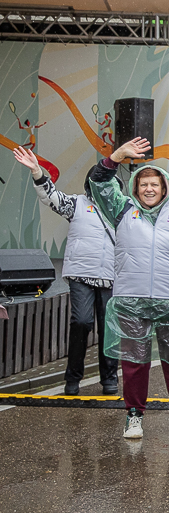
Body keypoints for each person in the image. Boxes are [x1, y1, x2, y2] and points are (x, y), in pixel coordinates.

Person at [88, 138, 169, 439]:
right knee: (134, 363)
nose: (149, 189)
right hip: (131, 300)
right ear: (135, 188)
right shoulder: (121, 211)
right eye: (144, 184)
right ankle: (134, 415)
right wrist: (115, 158)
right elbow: (100, 185)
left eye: (155, 185)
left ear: (165, 189)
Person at [13, 146, 120, 396]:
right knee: (82, 322)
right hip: (81, 275)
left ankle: (109, 378)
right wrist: (38, 172)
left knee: (109, 328)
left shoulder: (120, 209)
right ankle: (73, 378)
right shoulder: (76, 204)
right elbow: (50, 196)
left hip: (113, 276)